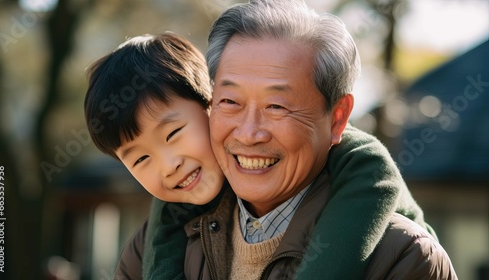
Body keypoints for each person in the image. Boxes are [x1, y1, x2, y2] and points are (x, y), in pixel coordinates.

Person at [82, 26, 451, 280]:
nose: (170, 165)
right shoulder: (147, 245)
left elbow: (372, 169)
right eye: (140, 159)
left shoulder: (353, 165)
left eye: (174, 134)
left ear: (214, 104)